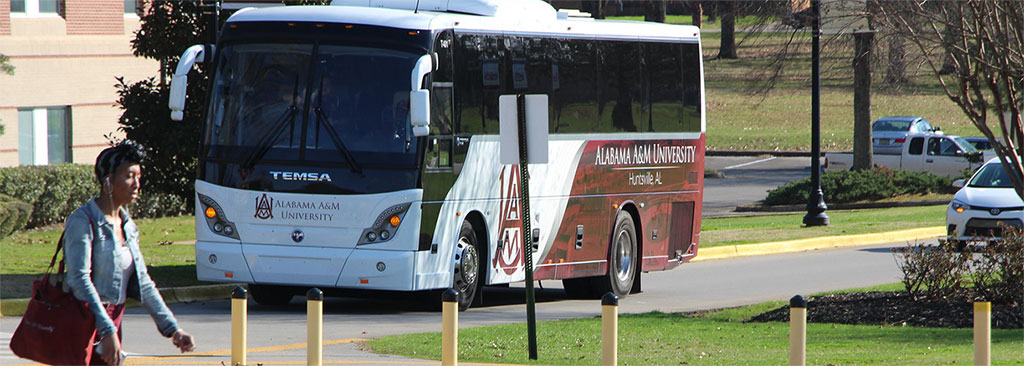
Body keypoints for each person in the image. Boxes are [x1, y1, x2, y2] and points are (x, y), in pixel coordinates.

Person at [63, 140, 196, 365]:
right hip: (85, 322)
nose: (136, 184)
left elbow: (143, 282)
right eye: (129, 176)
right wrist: (106, 331)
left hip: (112, 323)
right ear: (108, 181)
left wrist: (174, 330)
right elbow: (79, 279)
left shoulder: (127, 225)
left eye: (139, 177)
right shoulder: (83, 221)